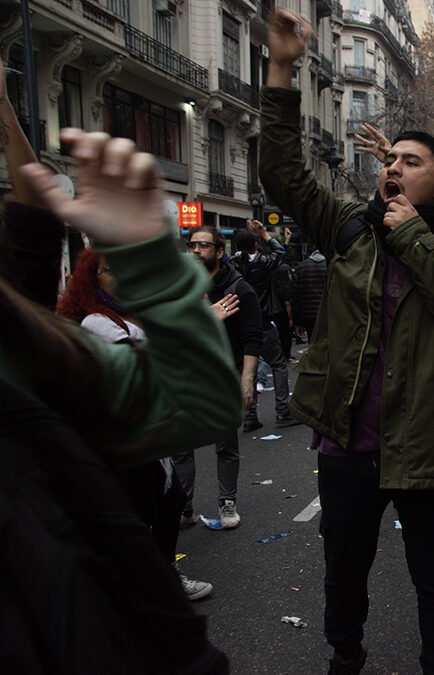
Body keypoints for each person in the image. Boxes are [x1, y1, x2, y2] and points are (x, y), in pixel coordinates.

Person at [260, 11, 434, 674]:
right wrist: (280, 68)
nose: (392, 166)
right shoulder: (349, 229)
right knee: (344, 569)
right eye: (389, 159)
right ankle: (345, 652)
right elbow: (281, 174)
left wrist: (413, 236)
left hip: (430, 448)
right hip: (348, 445)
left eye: (410, 161)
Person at [3, 127, 239, 672]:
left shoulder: (21, 350)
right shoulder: (90, 321)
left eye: (204, 246)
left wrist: (148, 257)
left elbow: (199, 405)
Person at [57, 248, 213, 599]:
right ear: (93, 277)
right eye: (111, 269)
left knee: (168, 501)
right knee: (146, 506)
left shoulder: (128, 312)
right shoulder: (96, 322)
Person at [174, 225, 263, 530]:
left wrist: (247, 379)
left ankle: (227, 503)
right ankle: (183, 505)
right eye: (192, 246)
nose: (196, 251)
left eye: (204, 246)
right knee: (181, 448)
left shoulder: (238, 290)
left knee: (225, 445)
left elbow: (253, 338)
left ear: (220, 252)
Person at [230, 219, 298, 430]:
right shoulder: (261, 262)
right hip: (261, 320)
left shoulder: (231, 264)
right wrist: (266, 235)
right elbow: (279, 254)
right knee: (278, 363)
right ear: (255, 245)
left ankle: (250, 415)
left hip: (239, 322)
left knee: (245, 367)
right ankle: (282, 411)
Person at [293, 248, 328, 339]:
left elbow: (296, 297)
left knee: (313, 344)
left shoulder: (301, 267)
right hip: (328, 314)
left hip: (308, 317)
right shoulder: (331, 265)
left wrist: (298, 322)